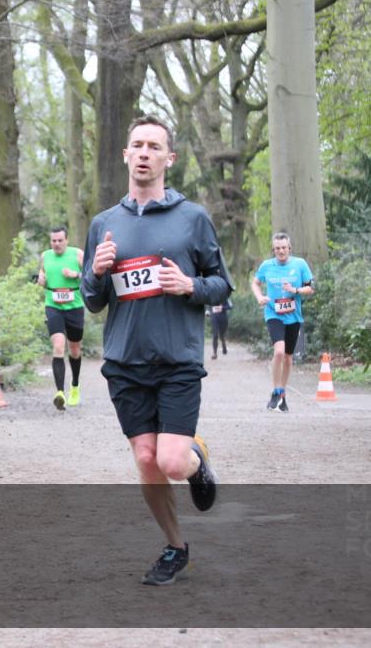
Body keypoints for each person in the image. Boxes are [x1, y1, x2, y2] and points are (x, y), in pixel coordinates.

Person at [82, 114, 233, 585]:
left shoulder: (193, 218)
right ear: (126, 154)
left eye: (154, 146)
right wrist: (98, 272)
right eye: (138, 145)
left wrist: (190, 285)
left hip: (176, 360)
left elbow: (222, 284)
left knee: (170, 461)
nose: (145, 153)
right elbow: (92, 301)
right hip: (124, 362)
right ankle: (175, 547)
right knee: (146, 459)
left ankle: (195, 459)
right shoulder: (104, 224)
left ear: (170, 158)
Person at [251, 232, 314, 412]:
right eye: (277, 248)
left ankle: (282, 393)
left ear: (289, 248)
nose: (281, 251)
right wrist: (260, 297)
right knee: (279, 352)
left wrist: (295, 290)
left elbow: (311, 288)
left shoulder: (300, 264)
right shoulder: (267, 266)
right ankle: (276, 391)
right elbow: (255, 283)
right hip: (274, 314)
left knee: (288, 357)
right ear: (274, 249)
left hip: (294, 316)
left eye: (284, 248)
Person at [37, 226, 86, 409]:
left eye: (60, 240)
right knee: (58, 346)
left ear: (66, 240)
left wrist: (75, 274)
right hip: (53, 306)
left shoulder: (77, 254)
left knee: (74, 350)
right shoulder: (45, 256)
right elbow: (43, 273)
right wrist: (41, 279)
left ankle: (75, 386)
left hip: (75, 307)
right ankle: (60, 393)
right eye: (53, 241)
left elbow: (91, 276)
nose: (56, 244)